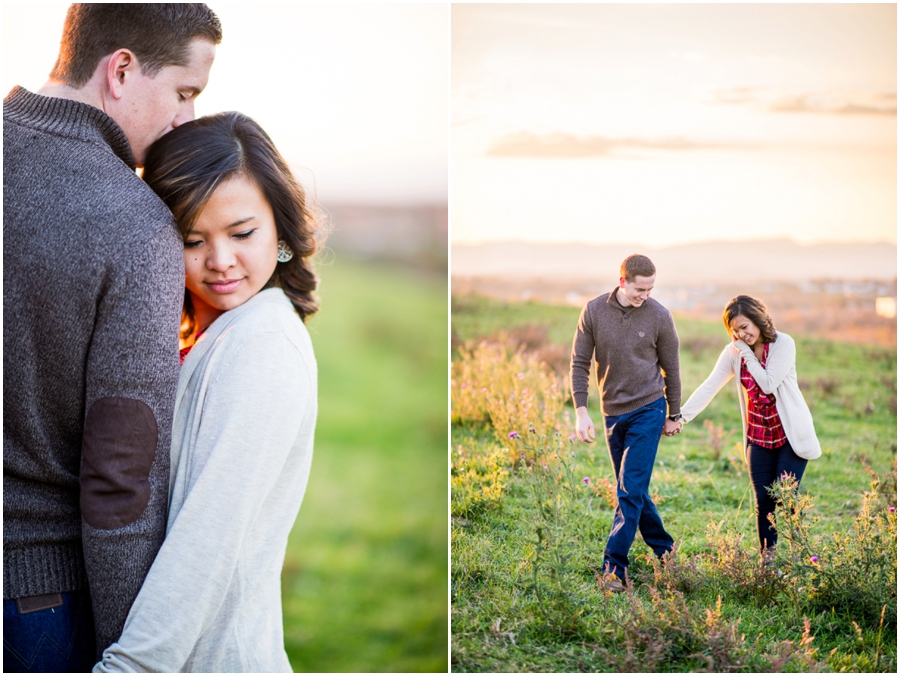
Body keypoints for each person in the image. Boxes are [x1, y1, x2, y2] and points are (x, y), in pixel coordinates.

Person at [3, 5, 220, 671]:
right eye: (185, 93)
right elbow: (121, 474)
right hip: (36, 601)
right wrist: (134, 652)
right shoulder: (134, 225)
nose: (186, 121)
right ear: (121, 69)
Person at [93, 111, 320, 673]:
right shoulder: (207, 330)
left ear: (282, 230)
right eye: (192, 240)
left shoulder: (263, 343)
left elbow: (207, 540)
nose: (220, 262)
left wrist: (132, 667)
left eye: (242, 234)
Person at [570, 254, 683, 592]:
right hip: (611, 412)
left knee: (628, 489)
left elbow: (672, 369)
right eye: (639, 289)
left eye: (650, 289)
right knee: (633, 489)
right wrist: (580, 411)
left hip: (649, 409)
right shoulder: (593, 311)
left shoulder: (660, 316)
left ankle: (613, 569)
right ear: (623, 281)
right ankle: (666, 552)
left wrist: (674, 414)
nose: (644, 295)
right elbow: (579, 362)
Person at [681, 295, 821, 556]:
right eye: (735, 331)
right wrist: (681, 417)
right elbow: (710, 386)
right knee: (764, 503)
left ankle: (803, 556)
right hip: (758, 436)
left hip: (790, 434)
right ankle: (768, 564)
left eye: (745, 327)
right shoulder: (732, 352)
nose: (741, 335)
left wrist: (746, 354)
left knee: (786, 497)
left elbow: (768, 383)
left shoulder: (783, 344)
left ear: (758, 319)